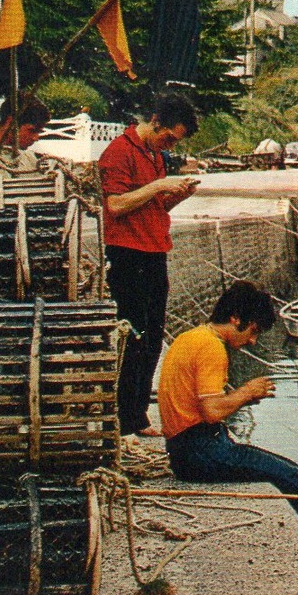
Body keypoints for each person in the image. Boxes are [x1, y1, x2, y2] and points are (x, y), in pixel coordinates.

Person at [158, 281, 298, 582]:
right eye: (253, 331)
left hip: (184, 449)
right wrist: (246, 393)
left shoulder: (189, 337)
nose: (253, 341)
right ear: (235, 319)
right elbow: (212, 411)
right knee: (296, 477)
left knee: (287, 472)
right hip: (201, 452)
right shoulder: (212, 348)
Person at [98, 91, 201, 437]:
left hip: (154, 250)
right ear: (156, 122)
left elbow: (153, 209)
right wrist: (159, 184)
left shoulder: (155, 154)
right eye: (169, 137)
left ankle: (138, 414)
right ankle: (126, 416)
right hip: (127, 254)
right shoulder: (119, 151)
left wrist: (177, 196)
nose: (168, 145)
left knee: (153, 336)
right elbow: (115, 205)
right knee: (133, 336)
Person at [0, 97, 52, 181]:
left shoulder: (30, 158)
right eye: (32, 130)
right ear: (11, 124)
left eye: (39, 132)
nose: (36, 138)